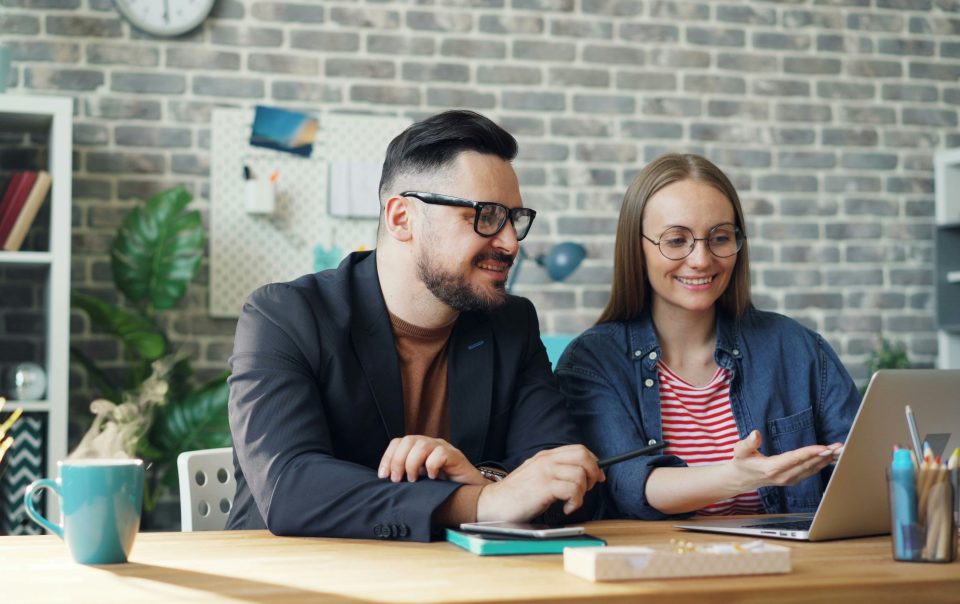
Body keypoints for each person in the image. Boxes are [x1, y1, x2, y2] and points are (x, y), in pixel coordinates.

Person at [226, 109, 603, 541]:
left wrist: (481, 478)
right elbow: (291, 487)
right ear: (402, 218)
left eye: (513, 219)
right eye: (485, 215)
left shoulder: (510, 324)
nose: (510, 242)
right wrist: (481, 502)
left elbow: (566, 479)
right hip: (290, 578)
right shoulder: (284, 316)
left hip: (451, 581)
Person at [556, 153, 860, 520]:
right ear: (637, 248)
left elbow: (866, 469)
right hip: (658, 570)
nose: (701, 259)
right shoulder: (593, 361)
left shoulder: (798, 348)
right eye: (676, 240)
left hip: (789, 569)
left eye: (719, 237)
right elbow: (630, 484)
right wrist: (736, 478)